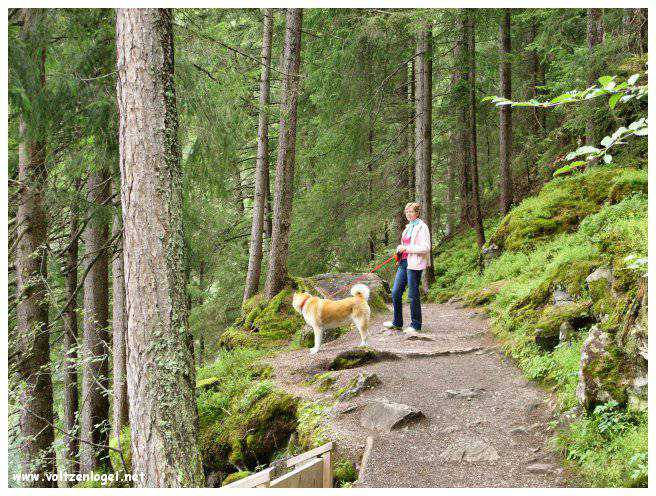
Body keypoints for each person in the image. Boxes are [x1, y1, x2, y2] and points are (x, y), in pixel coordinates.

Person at [383, 202, 431, 332]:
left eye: (411, 212)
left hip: (414, 264)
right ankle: (397, 322)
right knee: (396, 292)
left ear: (417, 213)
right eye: (407, 212)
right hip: (403, 263)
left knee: (412, 294)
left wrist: (406, 248)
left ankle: (415, 325)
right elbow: (406, 245)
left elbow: (426, 248)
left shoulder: (422, 227)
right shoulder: (408, 227)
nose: (408, 214)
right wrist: (400, 249)